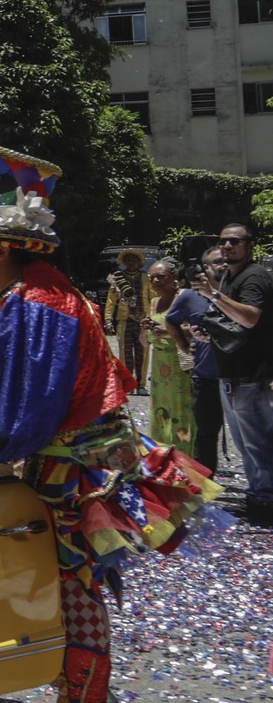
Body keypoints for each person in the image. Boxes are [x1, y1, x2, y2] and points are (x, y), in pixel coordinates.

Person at [0, 142, 221, 703]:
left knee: (76, 598)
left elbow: (24, 407)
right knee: (74, 595)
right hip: (81, 470)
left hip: (72, 479)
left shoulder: (31, 302)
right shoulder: (50, 291)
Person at [193, 222, 273, 524]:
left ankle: (265, 502)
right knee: (245, 444)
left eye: (235, 242)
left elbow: (251, 318)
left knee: (258, 442)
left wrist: (214, 295)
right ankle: (259, 496)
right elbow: (232, 324)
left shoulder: (253, 277)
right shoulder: (230, 275)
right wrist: (208, 332)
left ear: (250, 245)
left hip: (251, 375)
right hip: (233, 374)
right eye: (223, 241)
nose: (227, 246)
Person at [166, 247, 226, 470]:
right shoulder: (190, 296)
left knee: (252, 434)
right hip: (206, 376)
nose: (224, 265)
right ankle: (205, 487)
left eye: (226, 261)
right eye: (218, 261)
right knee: (207, 435)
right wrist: (184, 345)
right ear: (205, 268)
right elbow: (171, 321)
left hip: (240, 377)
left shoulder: (241, 291)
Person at [143, 259, 192, 454]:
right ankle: (162, 455)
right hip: (159, 365)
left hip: (180, 363)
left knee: (182, 413)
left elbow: (198, 328)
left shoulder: (184, 299)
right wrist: (144, 330)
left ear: (175, 279)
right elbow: (145, 342)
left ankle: (184, 454)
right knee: (160, 412)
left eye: (161, 277)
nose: (155, 281)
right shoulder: (154, 303)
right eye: (152, 277)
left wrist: (169, 331)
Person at [105, 247, 152, 391]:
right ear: (125, 262)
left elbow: (154, 298)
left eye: (134, 260)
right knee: (125, 353)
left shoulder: (146, 278)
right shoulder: (117, 278)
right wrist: (108, 320)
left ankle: (141, 384)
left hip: (143, 321)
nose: (131, 262)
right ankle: (128, 384)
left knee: (142, 353)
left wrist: (152, 318)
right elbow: (111, 301)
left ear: (139, 262)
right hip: (125, 320)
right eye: (128, 260)